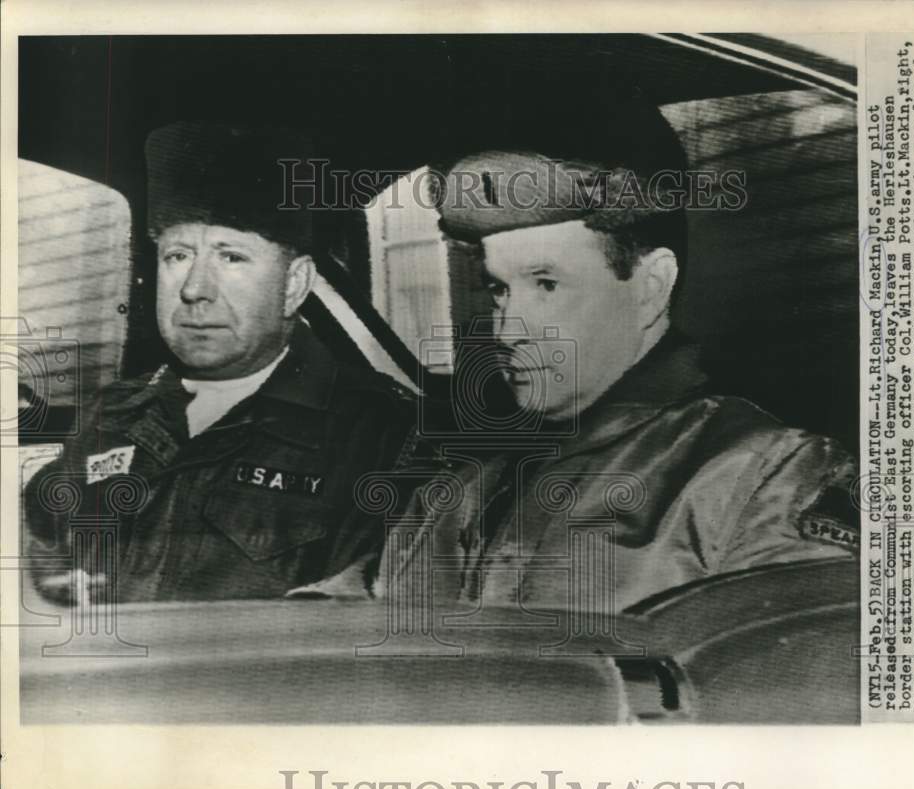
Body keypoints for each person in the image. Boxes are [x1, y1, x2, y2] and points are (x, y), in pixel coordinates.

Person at [293, 97, 860, 613]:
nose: (507, 327)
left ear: (651, 286)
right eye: (498, 288)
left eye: (546, 284)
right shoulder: (457, 495)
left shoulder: (764, 476)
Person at [24, 122, 416, 603]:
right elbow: (40, 569)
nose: (193, 288)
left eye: (231, 257)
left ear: (294, 284)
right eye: (178, 255)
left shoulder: (375, 434)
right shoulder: (114, 413)